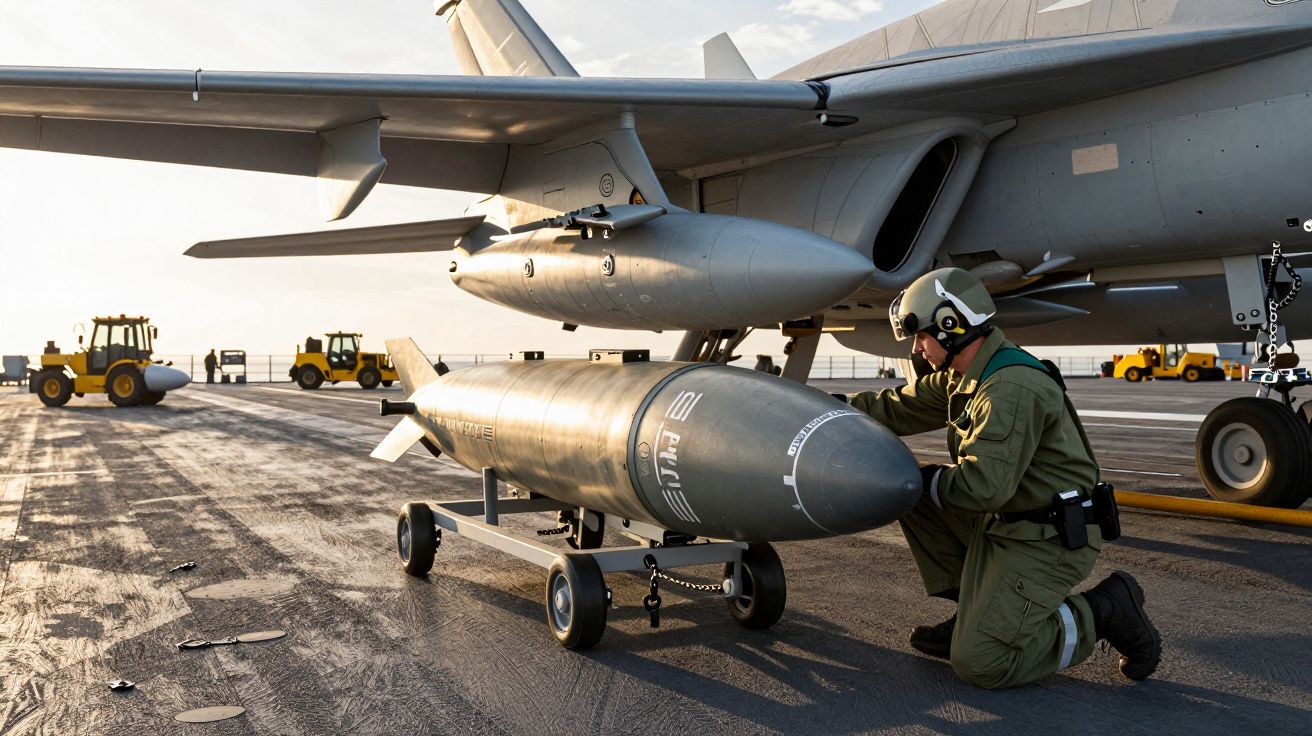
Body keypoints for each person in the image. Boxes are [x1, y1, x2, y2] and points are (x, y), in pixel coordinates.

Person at [845, 267, 1161, 689]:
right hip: (1010, 524)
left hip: (1048, 538)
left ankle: (1104, 611)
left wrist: (922, 479)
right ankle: (980, 612)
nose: (918, 349)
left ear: (951, 325)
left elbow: (982, 486)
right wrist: (820, 407)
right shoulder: (966, 376)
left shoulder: (1009, 387)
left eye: (921, 337)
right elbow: (894, 408)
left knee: (982, 662)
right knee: (914, 494)